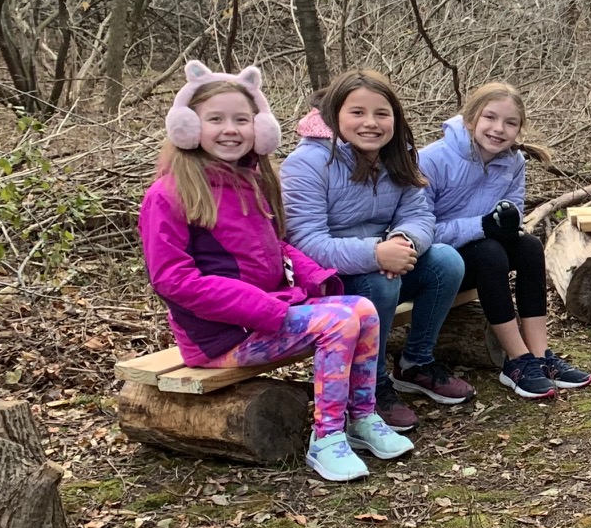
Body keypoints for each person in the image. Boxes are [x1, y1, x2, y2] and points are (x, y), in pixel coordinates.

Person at [138, 62, 412, 482]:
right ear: (189, 127)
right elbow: (173, 280)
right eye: (216, 120)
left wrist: (315, 277)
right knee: (338, 322)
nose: (230, 130)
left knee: (362, 309)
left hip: (264, 316)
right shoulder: (168, 194)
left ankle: (361, 417)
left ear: (259, 127)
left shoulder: (251, 180)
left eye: (241, 120)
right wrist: (263, 307)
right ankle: (326, 439)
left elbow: (277, 246)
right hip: (219, 335)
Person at [282, 70, 470, 429]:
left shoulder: (398, 156)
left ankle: (415, 363)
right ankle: (369, 385)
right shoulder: (306, 164)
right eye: (357, 113)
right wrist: (375, 253)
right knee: (379, 284)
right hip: (328, 281)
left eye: (382, 114)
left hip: (384, 258)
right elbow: (304, 242)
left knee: (445, 262)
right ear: (335, 115)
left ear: (394, 119)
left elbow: (419, 212)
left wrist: (403, 241)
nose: (371, 123)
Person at [419, 82, 591, 398]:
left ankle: (539, 356)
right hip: (439, 266)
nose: (499, 129)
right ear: (471, 118)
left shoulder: (512, 162)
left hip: (482, 252)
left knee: (529, 246)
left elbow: (512, 208)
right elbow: (421, 231)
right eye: (490, 118)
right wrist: (483, 225)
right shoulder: (433, 159)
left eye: (510, 123)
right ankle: (516, 360)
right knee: (489, 251)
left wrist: (507, 220)